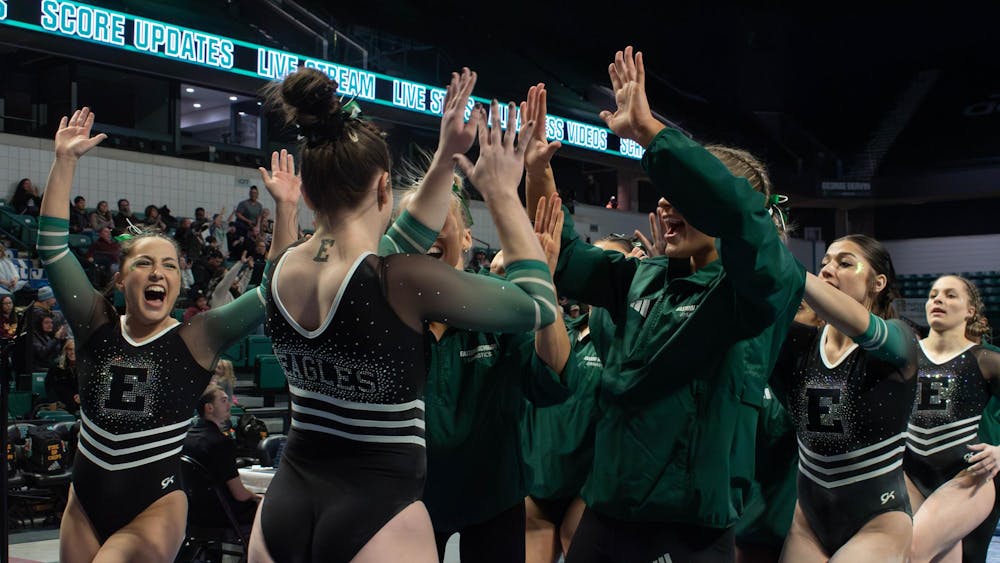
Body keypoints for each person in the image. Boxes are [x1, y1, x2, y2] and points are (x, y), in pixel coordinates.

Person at [249, 67, 558, 563]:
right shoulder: (400, 280)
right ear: (384, 189)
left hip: (284, 508)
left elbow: (389, 248)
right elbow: (538, 306)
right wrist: (501, 193)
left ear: (306, 194)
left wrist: (444, 161)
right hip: (378, 515)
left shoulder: (279, 271)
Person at [525, 48, 804, 561]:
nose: (663, 202)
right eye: (664, 190)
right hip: (607, 517)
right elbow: (556, 250)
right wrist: (537, 171)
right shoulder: (642, 277)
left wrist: (652, 132)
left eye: (684, 194)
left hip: (692, 534)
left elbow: (741, 216)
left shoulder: (764, 287)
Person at [38, 107, 298, 563]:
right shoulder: (94, 321)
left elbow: (270, 290)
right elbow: (53, 247)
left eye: (170, 265)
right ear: (121, 280)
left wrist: (287, 208)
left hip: (154, 508)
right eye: (144, 263)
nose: (158, 272)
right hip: (83, 504)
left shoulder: (198, 337)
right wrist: (64, 161)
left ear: (180, 280)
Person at [411, 184, 570, 563]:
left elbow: (551, 382)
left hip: (493, 496)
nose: (427, 232)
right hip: (411, 499)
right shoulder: (391, 316)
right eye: (417, 222)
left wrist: (543, 290)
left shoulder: (499, 304)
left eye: (438, 219)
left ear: (467, 236)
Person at [772, 235, 918, 562]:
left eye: (845, 263)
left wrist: (784, 263)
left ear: (878, 282)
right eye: (824, 263)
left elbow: (864, 328)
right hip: (808, 521)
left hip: (878, 521)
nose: (828, 269)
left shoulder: (901, 339)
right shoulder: (799, 343)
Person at [521, 233, 633, 563]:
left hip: (591, 490)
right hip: (540, 482)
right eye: (593, 263)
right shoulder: (561, 332)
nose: (598, 273)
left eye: (610, 264)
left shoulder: (630, 343)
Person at [905, 275, 1000, 562]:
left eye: (950, 295)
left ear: (971, 310)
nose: (938, 300)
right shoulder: (903, 354)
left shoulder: (986, 359)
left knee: (910, 552)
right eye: (933, 295)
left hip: (966, 476)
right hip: (909, 475)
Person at [181, 385, 260, 531]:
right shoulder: (221, 443)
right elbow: (240, 495)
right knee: (270, 507)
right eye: (223, 401)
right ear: (209, 408)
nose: (229, 405)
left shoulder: (186, 438)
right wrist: (258, 497)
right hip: (221, 515)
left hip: (190, 513)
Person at [45, 338, 79, 413]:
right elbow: (49, 384)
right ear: (65, 351)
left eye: (74, 349)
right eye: (70, 349)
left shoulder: (84, 366)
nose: (72, 352)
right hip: (61, 397)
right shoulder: (57, 365)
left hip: (77, 397)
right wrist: (52, 401)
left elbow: (87, 384)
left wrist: (81, 396)